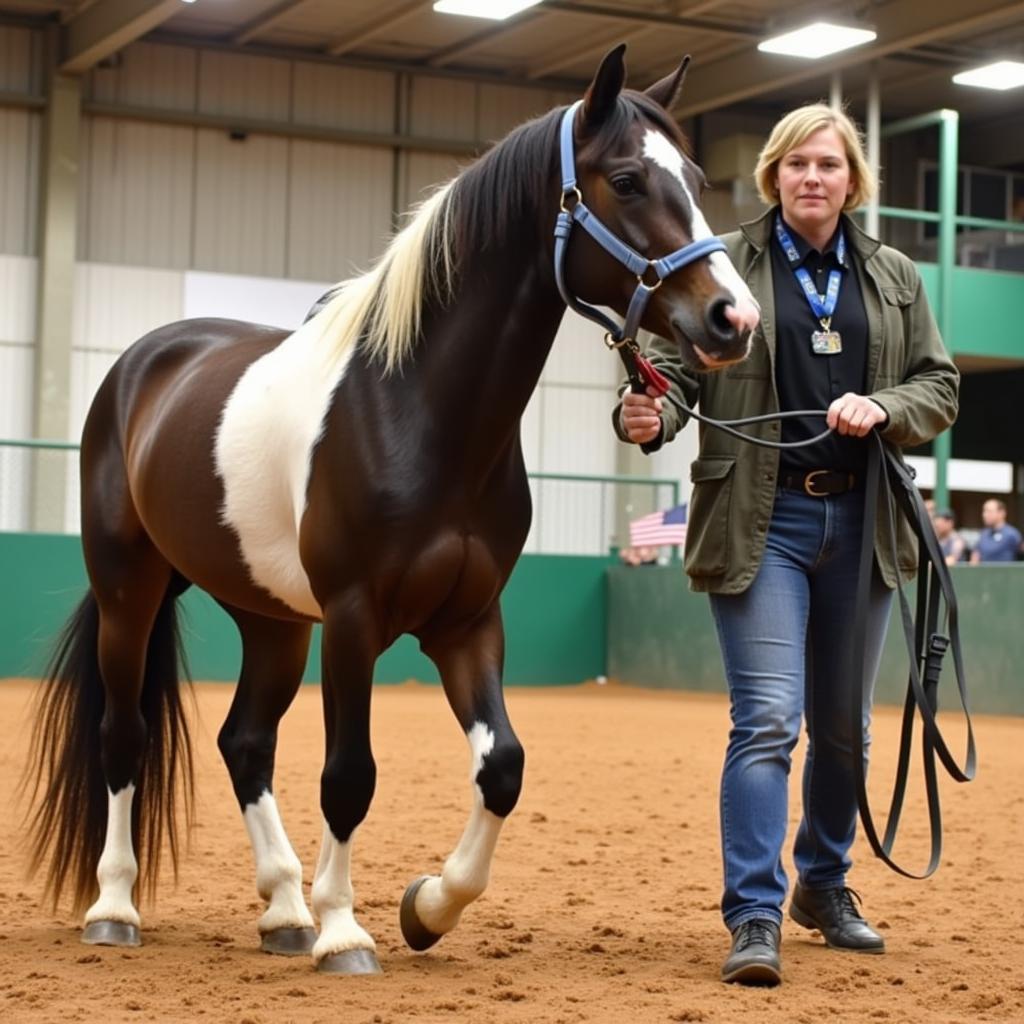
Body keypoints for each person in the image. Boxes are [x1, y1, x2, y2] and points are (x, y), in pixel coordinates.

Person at [612, 104, 959, 986]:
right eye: (797, 163)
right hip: (761, 522)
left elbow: (940, 384)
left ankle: (826, 885)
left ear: (852, 181)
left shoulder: (894, 277)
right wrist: (647, 416)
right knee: (768, 719)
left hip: (864, 519)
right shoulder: (726, 261)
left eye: (830, 165)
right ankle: (756, 914)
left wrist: (886, 408)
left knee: (843, 730)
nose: (813, 177)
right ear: (774, 175)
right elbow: (682, 373)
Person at [970, 498, 1022, 563]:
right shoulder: (984, 534)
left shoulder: (1012, 534)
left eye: (989, 511)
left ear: (1001, 513)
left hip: (1005, 572)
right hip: (984, 572)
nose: (984, 515)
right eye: (984, 511)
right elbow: (975, 556)